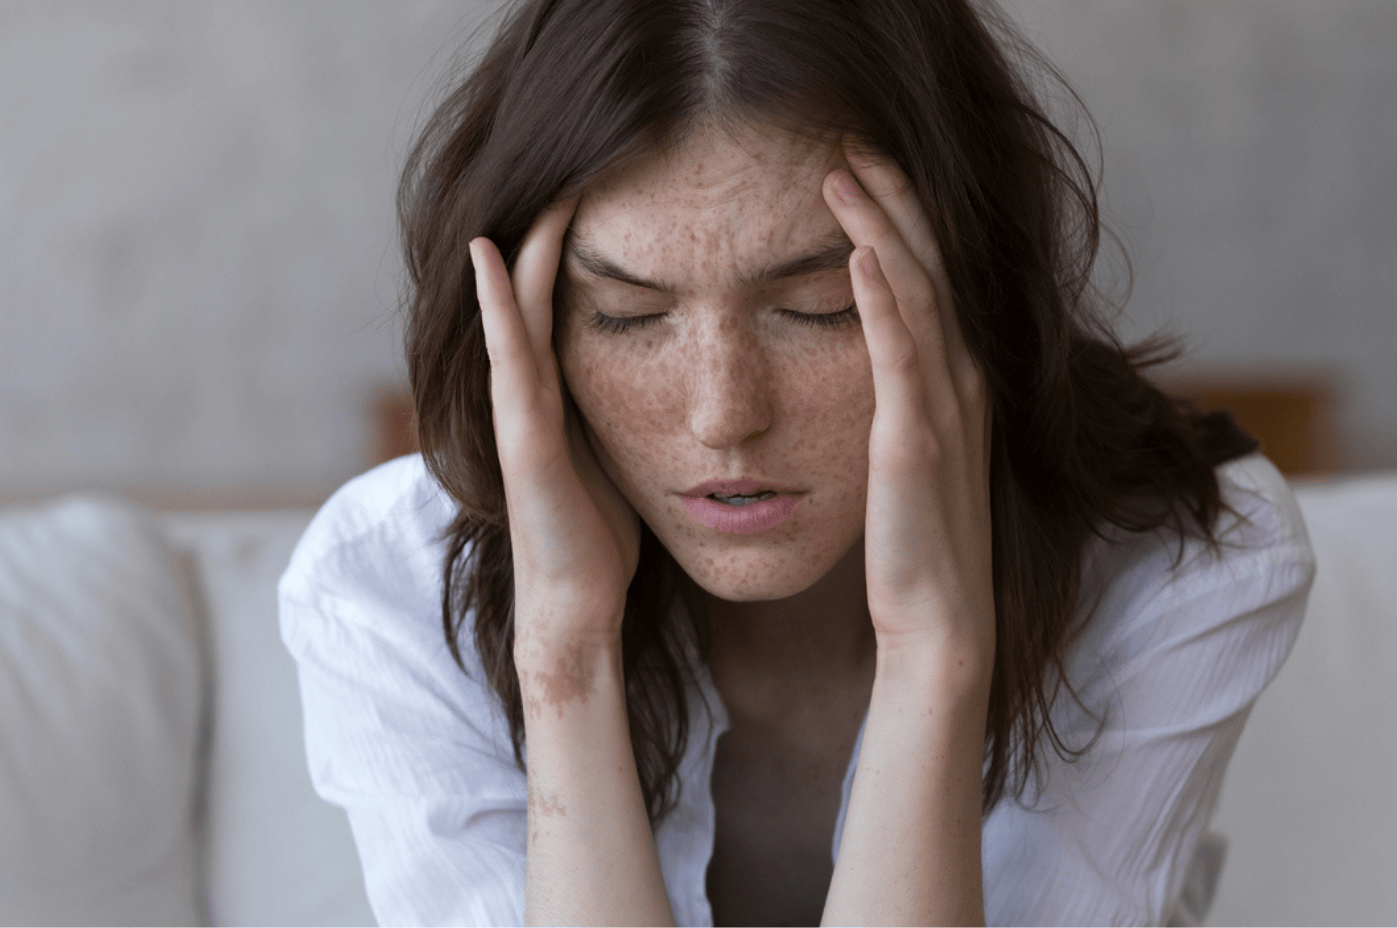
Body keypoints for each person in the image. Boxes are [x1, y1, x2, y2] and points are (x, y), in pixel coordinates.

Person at [280, 0, 1315, 924]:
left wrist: (933, 652)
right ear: (531, 326)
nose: (724, 415)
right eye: (628, 315)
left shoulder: (1182, 564)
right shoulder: (385, 588)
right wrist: (566, 656)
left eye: (820, 309)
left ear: (971, 288)